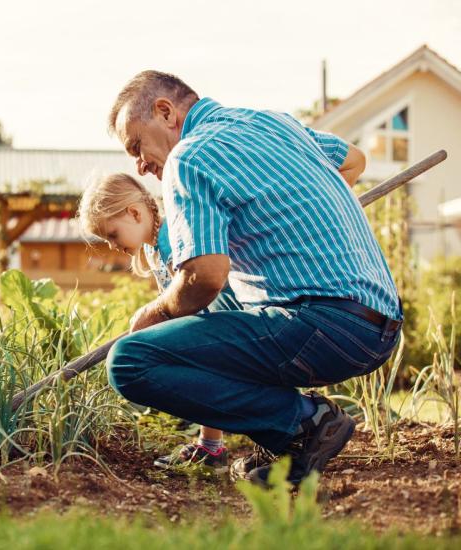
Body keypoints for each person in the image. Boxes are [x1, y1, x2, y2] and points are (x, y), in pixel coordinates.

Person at [103, 70, 402, 486]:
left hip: (323, 324)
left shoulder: (189, 157)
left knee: (132, 360)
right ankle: (291, 442)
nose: (138, 163)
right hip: (379, 324)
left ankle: (304, 424)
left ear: (165, 112)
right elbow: (353, 158)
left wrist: (150, 317)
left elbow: (203, 278)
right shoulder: (275, 123)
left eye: (136, 145)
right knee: (227, 309)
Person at [78, 172, 229, 472]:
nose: (111, 246)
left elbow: (195, 296)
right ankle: (212, 447)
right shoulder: (153, 245)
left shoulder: (171, 239)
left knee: (184, 369)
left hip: (216, 322)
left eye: (112, 235)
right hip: (202, 325)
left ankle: (216, 443)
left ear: (134, 213)